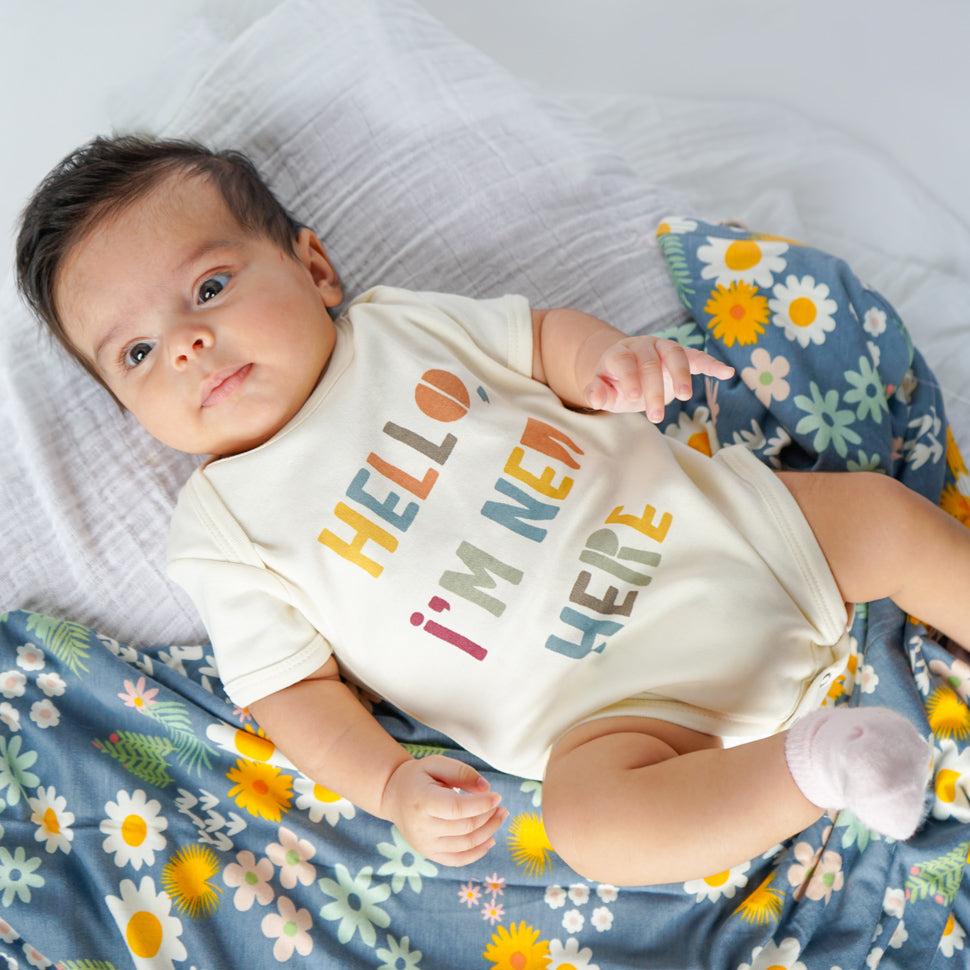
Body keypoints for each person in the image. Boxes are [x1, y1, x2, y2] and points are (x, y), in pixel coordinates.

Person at [17, 136, 963, 888]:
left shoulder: (400, 328)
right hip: (613, 712)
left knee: (880, 519)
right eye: (136, 354)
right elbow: (291, 693)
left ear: (314, 268)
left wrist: (608, 363)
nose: (185, 344)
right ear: (127, 408)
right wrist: (388, 785)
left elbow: (541, 339)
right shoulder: (220, 533)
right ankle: (822, 768)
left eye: (210, 289)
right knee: (594, 828)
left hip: (725, 537)